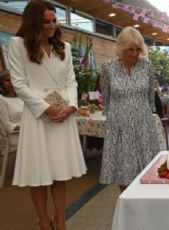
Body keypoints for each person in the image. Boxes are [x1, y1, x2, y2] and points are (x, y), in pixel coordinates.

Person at [8, 1, 87, 229]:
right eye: (46, 21)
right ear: (34, 22)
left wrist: (71, 106)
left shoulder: (65, 47)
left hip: (63, 114)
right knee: (39, 172)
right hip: (38, 116)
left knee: (60, 171)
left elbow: (71, 81)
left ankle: (60, 219)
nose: (52, 25)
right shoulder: (18, 44)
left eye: (54, 20)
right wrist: (45, 108)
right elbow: (19, 84)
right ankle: (43, 220)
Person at [100, 26, 159, 192]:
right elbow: (106, 96)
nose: (134, 53)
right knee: (122, 168)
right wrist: (112, 116)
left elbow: (150, 94)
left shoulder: (147, 65)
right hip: (118, 124)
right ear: (121, 48)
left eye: (138, 49)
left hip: (143, 122)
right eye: (130, 49)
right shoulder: (108, 67)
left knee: (145, 166)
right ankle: (126, 199)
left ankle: (144, 199)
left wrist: (149, 114)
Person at [0, 70, 24, 146]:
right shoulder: (1, 99)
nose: (11, 82)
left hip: (28, 131)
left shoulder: (21, 96)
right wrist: (26, 127)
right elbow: (7, 126)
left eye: (13, 79)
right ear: (1, 83)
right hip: (15, 135)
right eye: (7, 80)